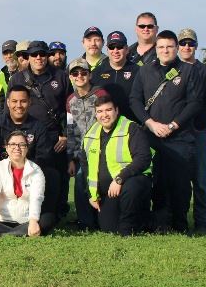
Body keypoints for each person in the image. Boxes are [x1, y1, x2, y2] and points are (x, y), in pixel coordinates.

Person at [129, 30, 202, 233]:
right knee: (158, 182)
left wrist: (173, 125)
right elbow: (135, 100)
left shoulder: (188, 71)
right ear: (156, 49)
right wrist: (150, 123)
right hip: (152, 136)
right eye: (161, 47)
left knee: (180, 184)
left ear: (176, 48)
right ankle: (160, 223)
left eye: (169, 46)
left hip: (180, 138)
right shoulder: (145, 71)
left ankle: (180, 224)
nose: (165, 50)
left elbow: (195, 103)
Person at [8, 40, 70, 222]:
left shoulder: (60, 76)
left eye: (42, 54)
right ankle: (25, 212)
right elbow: (9, 108)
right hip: (25, 135)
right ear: (28, 57)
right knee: (27, 174)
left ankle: (57, 212)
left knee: (55, 175)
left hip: (54, 137)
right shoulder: (18, 79)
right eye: (34, 54)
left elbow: (70, 109)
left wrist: (66, 134)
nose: (39, 58)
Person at [83, 95, 152, 235]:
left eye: (108, 110)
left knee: (133, 186)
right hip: (109, 192)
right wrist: (91, 194)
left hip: (130, 182)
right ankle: (139, 222)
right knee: (108, 227)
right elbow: (85, 165)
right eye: (100, 111)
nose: (104, 115)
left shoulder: (131, 128)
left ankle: (129, 229)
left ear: (116, 110)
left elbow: (143, 158)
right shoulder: (91, 132)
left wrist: (120, 178)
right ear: (95, 114)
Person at [177, 28, 206, 233]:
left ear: (196, 46)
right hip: (174, 133)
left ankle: (203, 222)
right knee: (177, 180)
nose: (186, 47)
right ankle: (178, 221)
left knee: (200, 180)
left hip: (197, 133)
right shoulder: (171, 70)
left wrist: (198, 123)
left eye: (190, 43)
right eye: (183, 43)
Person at [0, 130, 55, 237]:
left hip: (26, 220)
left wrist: (33, 221)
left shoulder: (36, 170)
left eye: (22, 145)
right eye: (13, 144)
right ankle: (21, 233)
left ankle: (4, 233)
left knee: (48, 219)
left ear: (27, 148)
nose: (17, 148)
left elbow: (36, 198)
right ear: (6, 147)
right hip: (1, 219)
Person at [65, 58, 108, 230]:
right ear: (71, 77)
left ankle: (103, 218)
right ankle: (85, 222)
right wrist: (70, 158)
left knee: (101, 184)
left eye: (83, 72)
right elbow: (71, 129)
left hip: (101, 149)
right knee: (81, 184)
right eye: (75, 73)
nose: (79, 76)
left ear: (89, 74)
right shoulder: (70, 100)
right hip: (81, 153)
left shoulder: (100, 94)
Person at [91, 31, 140, 122]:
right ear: (107, 49)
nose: (115, 51)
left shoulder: (138, 71)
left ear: (127, 49)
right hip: (105, 126)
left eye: (120, 47)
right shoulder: (96, 73)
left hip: (133, 126)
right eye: (112, 47)